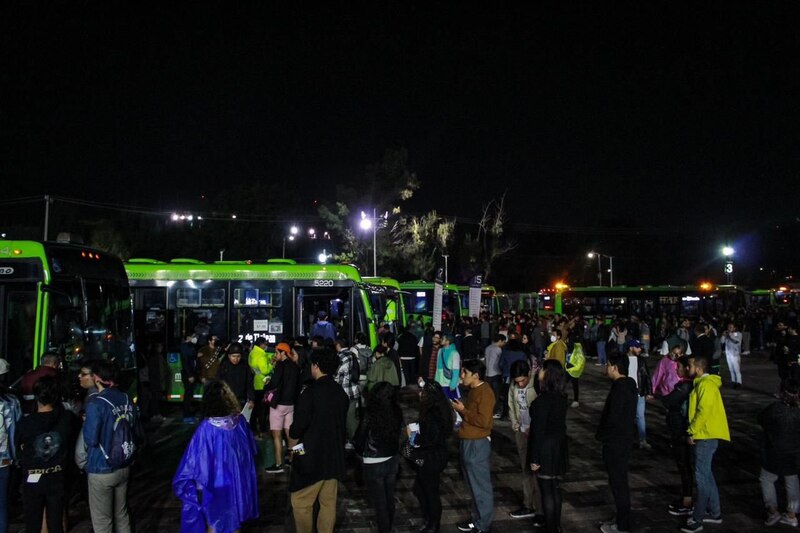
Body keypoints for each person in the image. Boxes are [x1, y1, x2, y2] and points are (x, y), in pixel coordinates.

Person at [173, 380, 258, 533]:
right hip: (237, 482)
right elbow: (250, 451)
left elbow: (193, 462)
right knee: (235, 521)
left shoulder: (206, 428)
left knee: (215, 522)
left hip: (215, 484)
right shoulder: (240, 423)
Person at [289, 347, 349, 533]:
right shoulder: (341, 393)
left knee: (300, 502)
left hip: (310, 459)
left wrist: (296, 454)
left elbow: (296, 430)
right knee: (328, 504)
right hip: (333, 458)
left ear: (316, 366)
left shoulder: (309, 393)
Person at [83, 359, 138, 533]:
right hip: (124, 463)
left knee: (102, 521)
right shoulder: (126, 398)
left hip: (101, 466)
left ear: (97, 378)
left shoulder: (96, 404)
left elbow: (91, 439)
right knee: (122, 514)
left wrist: (86, 423)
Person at [16, 375, 73, 533]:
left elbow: (19, 448)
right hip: (57, 476)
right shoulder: (66, 419)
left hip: (32, 478)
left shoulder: (26, 423)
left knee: (33, 522)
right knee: (56, 523)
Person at [682, 355, 730, 533]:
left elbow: (703, 412)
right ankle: (715, 513)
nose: (687, 369)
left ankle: (698, 519)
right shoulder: (705, 384)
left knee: (701, 478)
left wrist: (691, 431)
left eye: (689, 366)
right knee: (707, 475)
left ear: (698, 368)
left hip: (705, 435)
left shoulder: (705, 386)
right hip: (707, 434)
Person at [353, 382, 403, 533]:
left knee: (380, 502)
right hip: (392, 459)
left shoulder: (370, 412)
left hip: (373, 461)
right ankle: (388, 525)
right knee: (389, 497)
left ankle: (385, 529)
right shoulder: (396, 411)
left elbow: (360, 437)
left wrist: (359, 450)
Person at [597, 352, 638, 533]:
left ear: (614, 367)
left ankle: (623, 524)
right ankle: (622, 518)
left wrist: (602, 435)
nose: (607, 368)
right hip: (624, 439)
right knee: (620, 481)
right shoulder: (629, 386)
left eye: (608, 364)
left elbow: (612, 418)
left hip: (616, 441)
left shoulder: (620, 389)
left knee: (618, 483)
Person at [453, 359, 496, 533]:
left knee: (480, 486)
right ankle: (476, 519)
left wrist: (463, 410)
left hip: (477, 444)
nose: (462, 375)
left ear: (476, 375)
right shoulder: (473, 390)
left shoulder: (485, 393)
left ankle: (483, 524)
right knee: (472, 485)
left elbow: (484, 422)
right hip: (467, 441)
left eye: (465, 373)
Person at [528, 359, 569, 533]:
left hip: (545, 447)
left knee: (546, 490)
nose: (539, 372)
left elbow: (538, 432)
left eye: (542, 370)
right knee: (555, 487)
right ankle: (556, 525)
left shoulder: (541, 402)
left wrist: (534, 458)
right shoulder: (561, 398)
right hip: (559, 445)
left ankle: (551, 527)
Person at [410, 380, 454, 533]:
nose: (419, 394)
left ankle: (433, 524)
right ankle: (429, 519)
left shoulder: (432, 415)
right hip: (432, 456)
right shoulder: (437, 410)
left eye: (422, 392)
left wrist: (413, 438)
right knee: (421, 488)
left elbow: (430, 439)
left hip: (430, 458)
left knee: (429, 491)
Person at [758, 378, 800, 527]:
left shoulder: (774, 409)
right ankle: (791, 514)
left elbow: (761, 419)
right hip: (794, 454)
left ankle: (772, 510)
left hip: (774, 452)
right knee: (792, 480)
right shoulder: (796, 411)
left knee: (766, 479)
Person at [507, 360, 543, 523]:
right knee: (525, 469)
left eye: (523, 381)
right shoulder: (513, 386)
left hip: (536, 433)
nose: (520, 384)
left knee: (537, 470)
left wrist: (534, 428)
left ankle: (541, 508)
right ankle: (527, 504)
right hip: (521, 430)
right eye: (517, 382)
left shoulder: (537, 384)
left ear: (529, 374)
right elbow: (511, 405)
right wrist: (515, 424)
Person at [660, 355, 695, 517]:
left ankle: (688, 500)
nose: (676, 369)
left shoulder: (686, 386)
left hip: (682, 431)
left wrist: (662, 395)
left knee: (685, 465)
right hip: (679, 430)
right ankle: (687, 497)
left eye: (679, 367)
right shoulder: (685, 385)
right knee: (684, 465)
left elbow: (668, 401)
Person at [264, 342, 300, 474]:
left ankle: (279, 464)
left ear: (283, 353)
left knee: (277, 436)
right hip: (290, 405)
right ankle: (295, 459)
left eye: (277, 352)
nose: (275, 355)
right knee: (292, 434)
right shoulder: (295, 367)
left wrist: (267, 384)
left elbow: (274, 383)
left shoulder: (280, 366)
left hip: (278, 405)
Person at [0, 361, 19, 533]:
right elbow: (14, 432)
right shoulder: (11, 402)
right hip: (4, 460)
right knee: (2, 507)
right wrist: (15, 458)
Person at [626, 339, 653, 449]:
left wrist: (649, 392)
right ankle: (627, 439)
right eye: (637, 347)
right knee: (627, 416)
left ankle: (642, 440)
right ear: (631, 348)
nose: (639, 349)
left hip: (639, 392)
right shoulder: (623, 360)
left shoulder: (641, 360)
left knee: (640, 417)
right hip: (627, 393)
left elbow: (646, 376)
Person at [333, 336, 362, 442]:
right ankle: (356, 439)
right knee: (352, 417)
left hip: (344, 391)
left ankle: (355, 440)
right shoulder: (352, 354)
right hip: (354, 390)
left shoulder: (341, 356)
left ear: (338, 346)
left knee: (348, 419)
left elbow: (336, 374)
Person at [248, 337, 273, 437]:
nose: (266, 346)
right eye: (265, 344)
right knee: (263, 408)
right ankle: (262, 429)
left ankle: (253, 427)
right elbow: (265, 370)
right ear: (261, 344)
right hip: (263, 383)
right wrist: (271, 364)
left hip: (254, 382)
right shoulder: (261, 354)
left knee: (255, 408)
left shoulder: (252, 352)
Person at [218, 342, 255, 408]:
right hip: (226, 400)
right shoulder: (223, 366)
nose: (236, 359)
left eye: (238, 356)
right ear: (229, 356)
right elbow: (219, 384)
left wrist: (251, 399)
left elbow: (249, 383)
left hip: (241, 400)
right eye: (233, 356)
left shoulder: (244, 366)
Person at [179, 334, 199, 422]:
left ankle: (189, 414)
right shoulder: (184, 347)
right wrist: (189, 375)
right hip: (188, 375)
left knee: (190, 394)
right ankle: (186, 415)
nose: (195, 338)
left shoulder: (190, 347)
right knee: (188, 395)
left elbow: (193, 356)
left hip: (192, 374)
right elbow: (185, 363)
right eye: (193, 336)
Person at [721, 322, 743, 388]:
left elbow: (737, 341)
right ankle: (733, 381)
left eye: (731, 327)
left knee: (736, 369)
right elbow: (722, 341)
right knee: (731, 369)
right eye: (728, 327)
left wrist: (730, 335)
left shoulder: (738, 334)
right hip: (728, 354)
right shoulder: (727, 334)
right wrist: (723, 335)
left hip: (735, 354)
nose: (729, 328)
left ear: (734, 328)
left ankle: (739, 382)